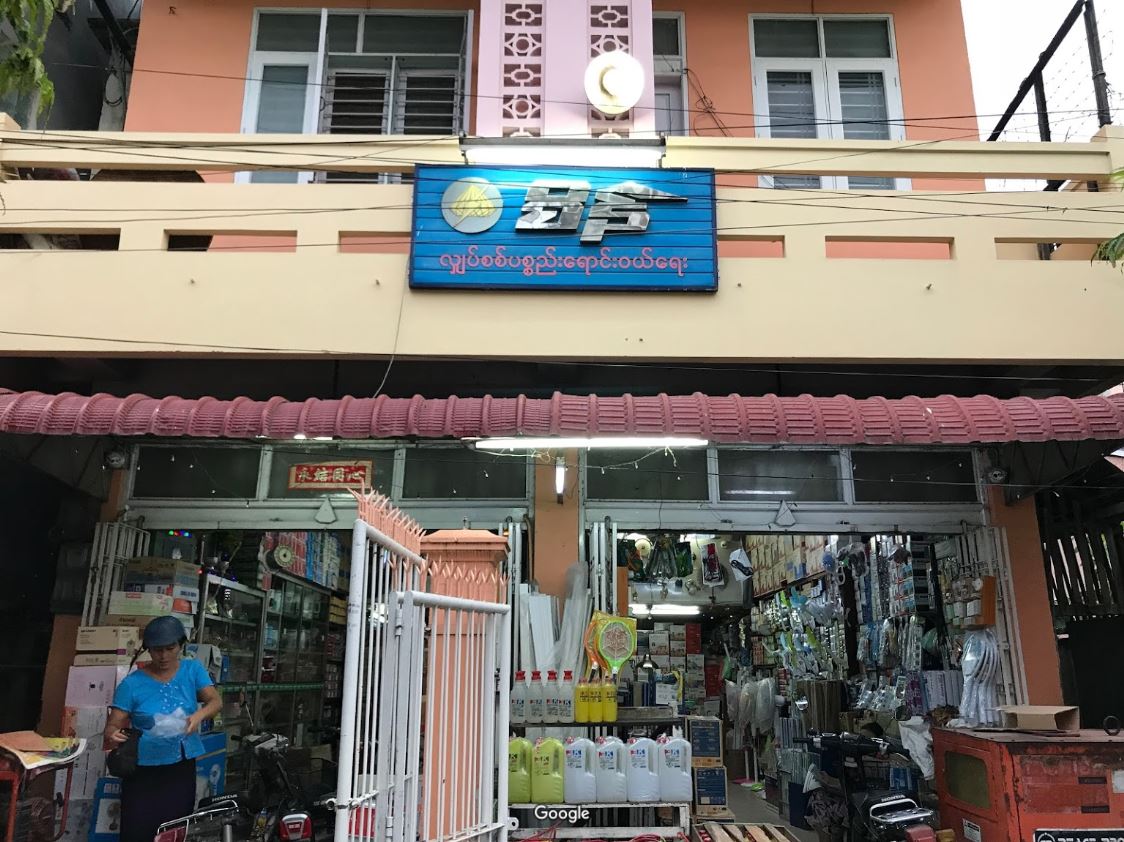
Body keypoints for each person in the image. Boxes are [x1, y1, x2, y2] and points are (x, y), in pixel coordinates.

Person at [104, 616, 222, 842]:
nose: (164, 656)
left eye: (170, 648)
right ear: (148, 649)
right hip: (142, 770)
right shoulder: (132, 684)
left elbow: (215, 701)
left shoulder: (192, 670)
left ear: (181, 645)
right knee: (138, 829)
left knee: (176, 829)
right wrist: (112, 733)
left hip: (180, 766)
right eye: (157, 650)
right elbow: (113, 724)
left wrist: (198, 716)